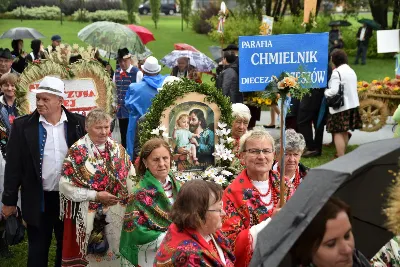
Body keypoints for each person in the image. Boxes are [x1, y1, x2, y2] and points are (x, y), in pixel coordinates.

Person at [1, 76, 86, 267]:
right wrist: (9, 201)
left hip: (70, 201)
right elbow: (13, 167)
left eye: (45, 99)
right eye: (38, 98)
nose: (39, 103)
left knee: (66, 252)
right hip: (38, 199)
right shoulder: (23, 126)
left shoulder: (79, 124)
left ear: (60, 101)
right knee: (37, 251)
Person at [59, 108, 136, 266]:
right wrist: (95, 196)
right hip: (88, 214)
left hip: (117, 213)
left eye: (107, 127)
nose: (103, 132)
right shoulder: (77, 152)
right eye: (98, 127)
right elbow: (65, 186)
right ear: (87, 127)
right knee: (93, 258)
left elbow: (131, 176)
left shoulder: (118, 149)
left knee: (115, 255)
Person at [222, 127, 294, 266]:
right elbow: (230, 242)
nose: (261, 156)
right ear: (242, 156)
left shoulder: (285, 185)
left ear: (274, 155)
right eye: (254, 151)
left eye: (266, 151)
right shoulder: (232, 194)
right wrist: (270, 222)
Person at [119, 138, 181, 267]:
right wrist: (174, 237)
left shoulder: (180, 187)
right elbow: (136, 232)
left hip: (179, 253)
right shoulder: (139, 194)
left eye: (165, 158)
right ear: (145, 162)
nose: (162, 164)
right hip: (152, 257)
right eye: (155, 160)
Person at [154, 180, 235, 266]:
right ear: (198, 215)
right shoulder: (186, 256)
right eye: (219, 209)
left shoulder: (208, 231)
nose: (224, 213)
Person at [291, 197, 371, 267]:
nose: (348, 250)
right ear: (307, 251)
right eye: (331, 244)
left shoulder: (358, 259)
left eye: (347, 236)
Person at [124, 56, 165, 158]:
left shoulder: (134, 88)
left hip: (137, 130)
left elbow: (128, 105)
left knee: (138, 156)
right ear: (158, 70)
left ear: (143, 70)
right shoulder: (167, 84)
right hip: (161, 127)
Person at [325, 49, 362, 157]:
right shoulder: (350, 70)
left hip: (340, 107)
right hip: (352, 104)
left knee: (337, 132)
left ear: (335, 60)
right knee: (344, 131)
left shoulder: (337, 72)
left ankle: (340, 155)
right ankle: (343, 154)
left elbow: (334, 91)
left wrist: (325, 92)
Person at [0, 72, 20, 259]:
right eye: (6, 85)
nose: (10, 88)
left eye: (13, 85)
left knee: (17, 194)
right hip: (2, 156)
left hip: (19, 156)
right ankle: (3, 241)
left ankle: (15, 232)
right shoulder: (0, 107)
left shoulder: (23, 105)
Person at [113, 48, 139, 149]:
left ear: (129, 59)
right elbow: (115, 92)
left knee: (132, 136)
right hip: (121, 111)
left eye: (124, 61)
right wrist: (114, 104)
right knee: (123, 135)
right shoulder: (116, 73)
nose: (123, 63)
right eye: (120, 61)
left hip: (133, 112)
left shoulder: (137, 73)